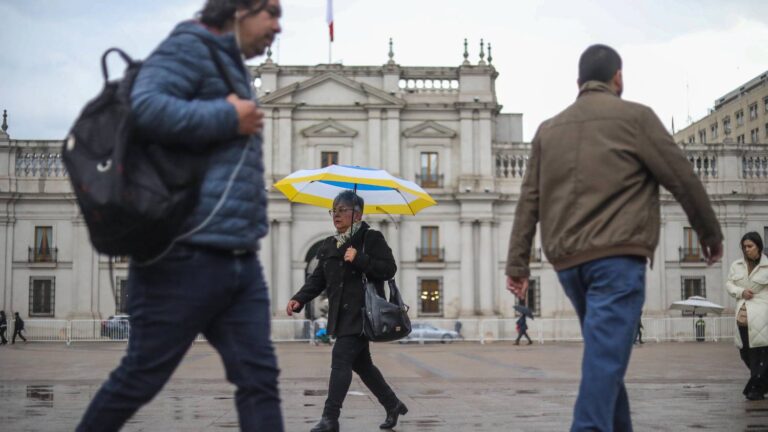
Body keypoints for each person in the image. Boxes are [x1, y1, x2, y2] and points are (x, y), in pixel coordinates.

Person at [76, 1, 284, 431]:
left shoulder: (230, 66)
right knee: (140, 377)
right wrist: (228, 115)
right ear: (241, 9)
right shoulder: (189, 46)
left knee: (259, 380)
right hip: (183, 255)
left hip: (238, 260)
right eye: (272, 13)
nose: (278, 26)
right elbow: (146, 105)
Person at [505, 44, 723, 432]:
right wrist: (709, 232)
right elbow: (681, 177)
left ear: (578, 83)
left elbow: (529, 201)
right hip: (616, 260)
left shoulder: (547, 130)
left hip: (568, 264)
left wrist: (518, 265)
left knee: (606, 355)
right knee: (606, 358)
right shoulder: (636, 118)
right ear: (618, 77)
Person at [286, 191, 407, 432]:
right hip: (341, 316)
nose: (336, 215)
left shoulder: (370, 239)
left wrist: (360, 258)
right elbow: (318, 278)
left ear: (358, 214)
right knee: (363, 366)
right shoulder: (330, 244)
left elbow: (389, 269)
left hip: (363, 314)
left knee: (340, 358)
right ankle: (393, 404)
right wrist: (299, 299)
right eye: (334, 210)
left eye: (342, 210)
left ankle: (330, 418)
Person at [725, 232, 768, 401]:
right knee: (745, 354)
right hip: (742, 317)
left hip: (762, 317)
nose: (746, 249)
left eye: (750, 246)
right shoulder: (736, 265)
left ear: (759, 246)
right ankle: (759, 385)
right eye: (744, 247)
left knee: (760, 355)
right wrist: (741, 291)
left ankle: (755, 390)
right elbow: (729, 284)